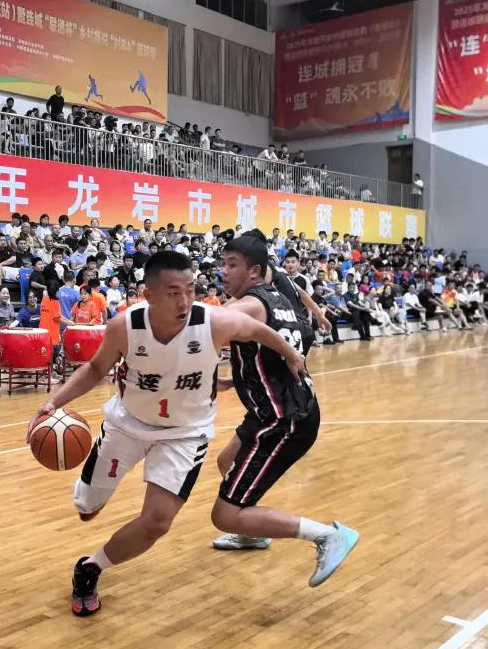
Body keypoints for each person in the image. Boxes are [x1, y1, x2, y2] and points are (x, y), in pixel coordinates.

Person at [26, 251, 312, 616]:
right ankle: (92, 495)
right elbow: (96, 368)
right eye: (173, 293)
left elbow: (257, 330)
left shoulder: (213, 321)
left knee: (158, 521)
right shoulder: (125, 326)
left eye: (190, 290)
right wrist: (53, 403)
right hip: (127, 425)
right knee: (86, 509)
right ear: (148, 295)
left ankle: (91, 567)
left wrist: (290, 354)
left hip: (184, 434)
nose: (185, 301)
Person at [206, 238, 359, 582]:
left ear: (254, 271)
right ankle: (252, 533)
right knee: (226, 462)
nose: (223, 271)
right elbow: (277, 353)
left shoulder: (251, 305)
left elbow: (210, 321)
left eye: (231, 264)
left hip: (282, 420)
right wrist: (235, 381)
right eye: (223, 263)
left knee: (224, 515)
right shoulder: (279, 298)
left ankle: (327, 535)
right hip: (282, 406)